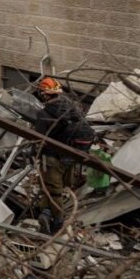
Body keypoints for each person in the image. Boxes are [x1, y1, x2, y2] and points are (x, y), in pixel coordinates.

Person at [33, 77, 94, 234]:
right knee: (56, 187)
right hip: (70, 157)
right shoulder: (71, 108)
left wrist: (34, 155)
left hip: (51, 158)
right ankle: (46, 214)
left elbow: (39, 140)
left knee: (53, 190)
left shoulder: (43, 114)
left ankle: (57, 222)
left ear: (45, 94)